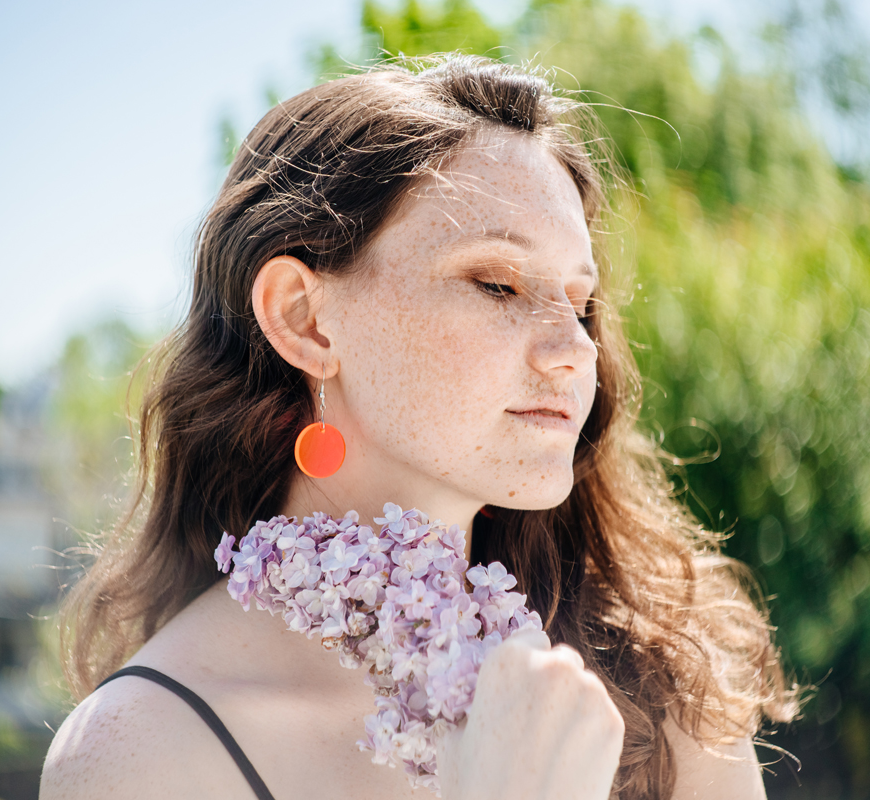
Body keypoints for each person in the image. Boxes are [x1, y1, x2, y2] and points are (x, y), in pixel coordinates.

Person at [39, 55, 796, 800]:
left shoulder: (664, 689)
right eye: (497, 283)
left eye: (578, 299)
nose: (575, 350)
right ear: (305, 320)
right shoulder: (138, 752)